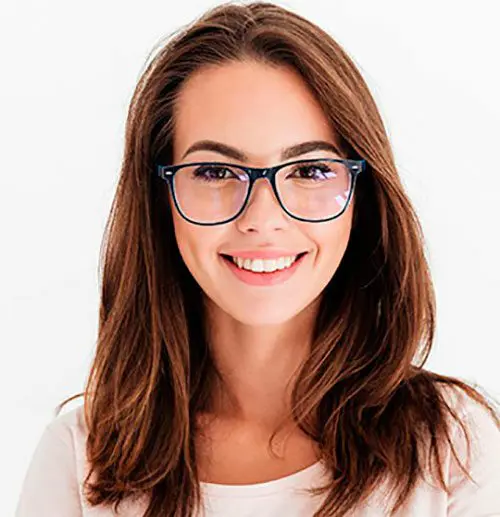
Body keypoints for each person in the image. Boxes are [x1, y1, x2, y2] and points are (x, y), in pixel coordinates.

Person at [15, 2, 500, 516]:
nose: (262, 219)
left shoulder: (453, 450)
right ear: (159, 199)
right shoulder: (82, 455)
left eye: (310, 171)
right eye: (215, 172)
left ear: (363, 198)